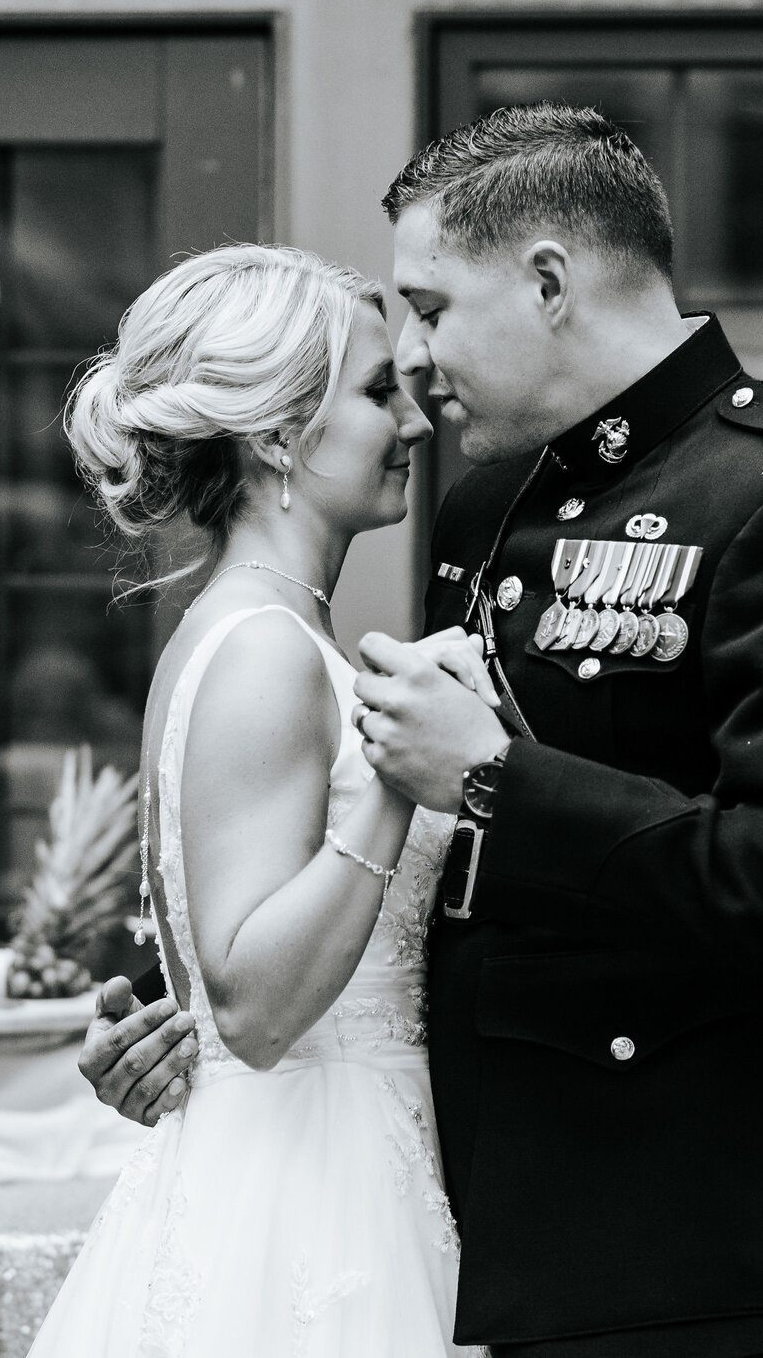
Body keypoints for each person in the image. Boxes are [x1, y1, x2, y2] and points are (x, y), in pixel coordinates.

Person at [82, 105, 763, 1358]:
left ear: (546, 281)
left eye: (430, 310)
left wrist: (498, 777)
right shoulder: (490, 504)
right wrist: (200, 1034)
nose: (420, 367)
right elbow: (433, 896)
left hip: (703, 1252)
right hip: (482, 1234)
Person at [26, 243, 488, 1358]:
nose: (414, 421)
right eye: (379, 392)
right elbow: (254, 1005)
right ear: (279, 435)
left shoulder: (264, 632)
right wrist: (396, 772)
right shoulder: (265, 651)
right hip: (306, 1186)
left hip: (348, 1150)